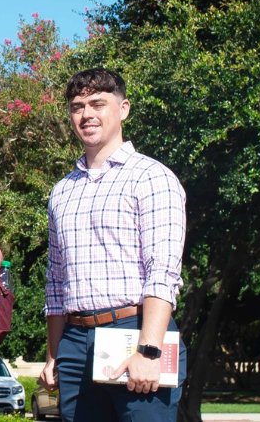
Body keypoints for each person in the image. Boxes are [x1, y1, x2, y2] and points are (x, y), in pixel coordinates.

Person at [39, 68, 187, 421]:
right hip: (75, 343)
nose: (86, 114)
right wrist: (53, 355)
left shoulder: (152, 177)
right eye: (77, 107)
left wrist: (149, 350)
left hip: (135, 332)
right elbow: (56, 282)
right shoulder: (62, 191)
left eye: (97, 104)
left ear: (123, 109)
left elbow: (162, 272)